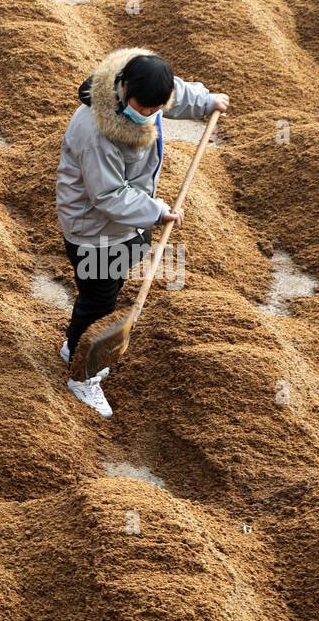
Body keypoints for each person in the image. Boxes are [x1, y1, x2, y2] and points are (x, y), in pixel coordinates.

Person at [55, 47, 228, 416]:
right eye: (144, 108)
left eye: (155, 109)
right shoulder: (95, 131)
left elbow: (175, 94)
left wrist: (208, 101)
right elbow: (107, 194)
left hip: (127, 220)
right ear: (123, 88)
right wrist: (157, 210)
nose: (149, 114)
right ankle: (83, 375)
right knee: (99, 298)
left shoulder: (146, 88)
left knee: (115, 276)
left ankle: (75, 343)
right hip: (93, 225)